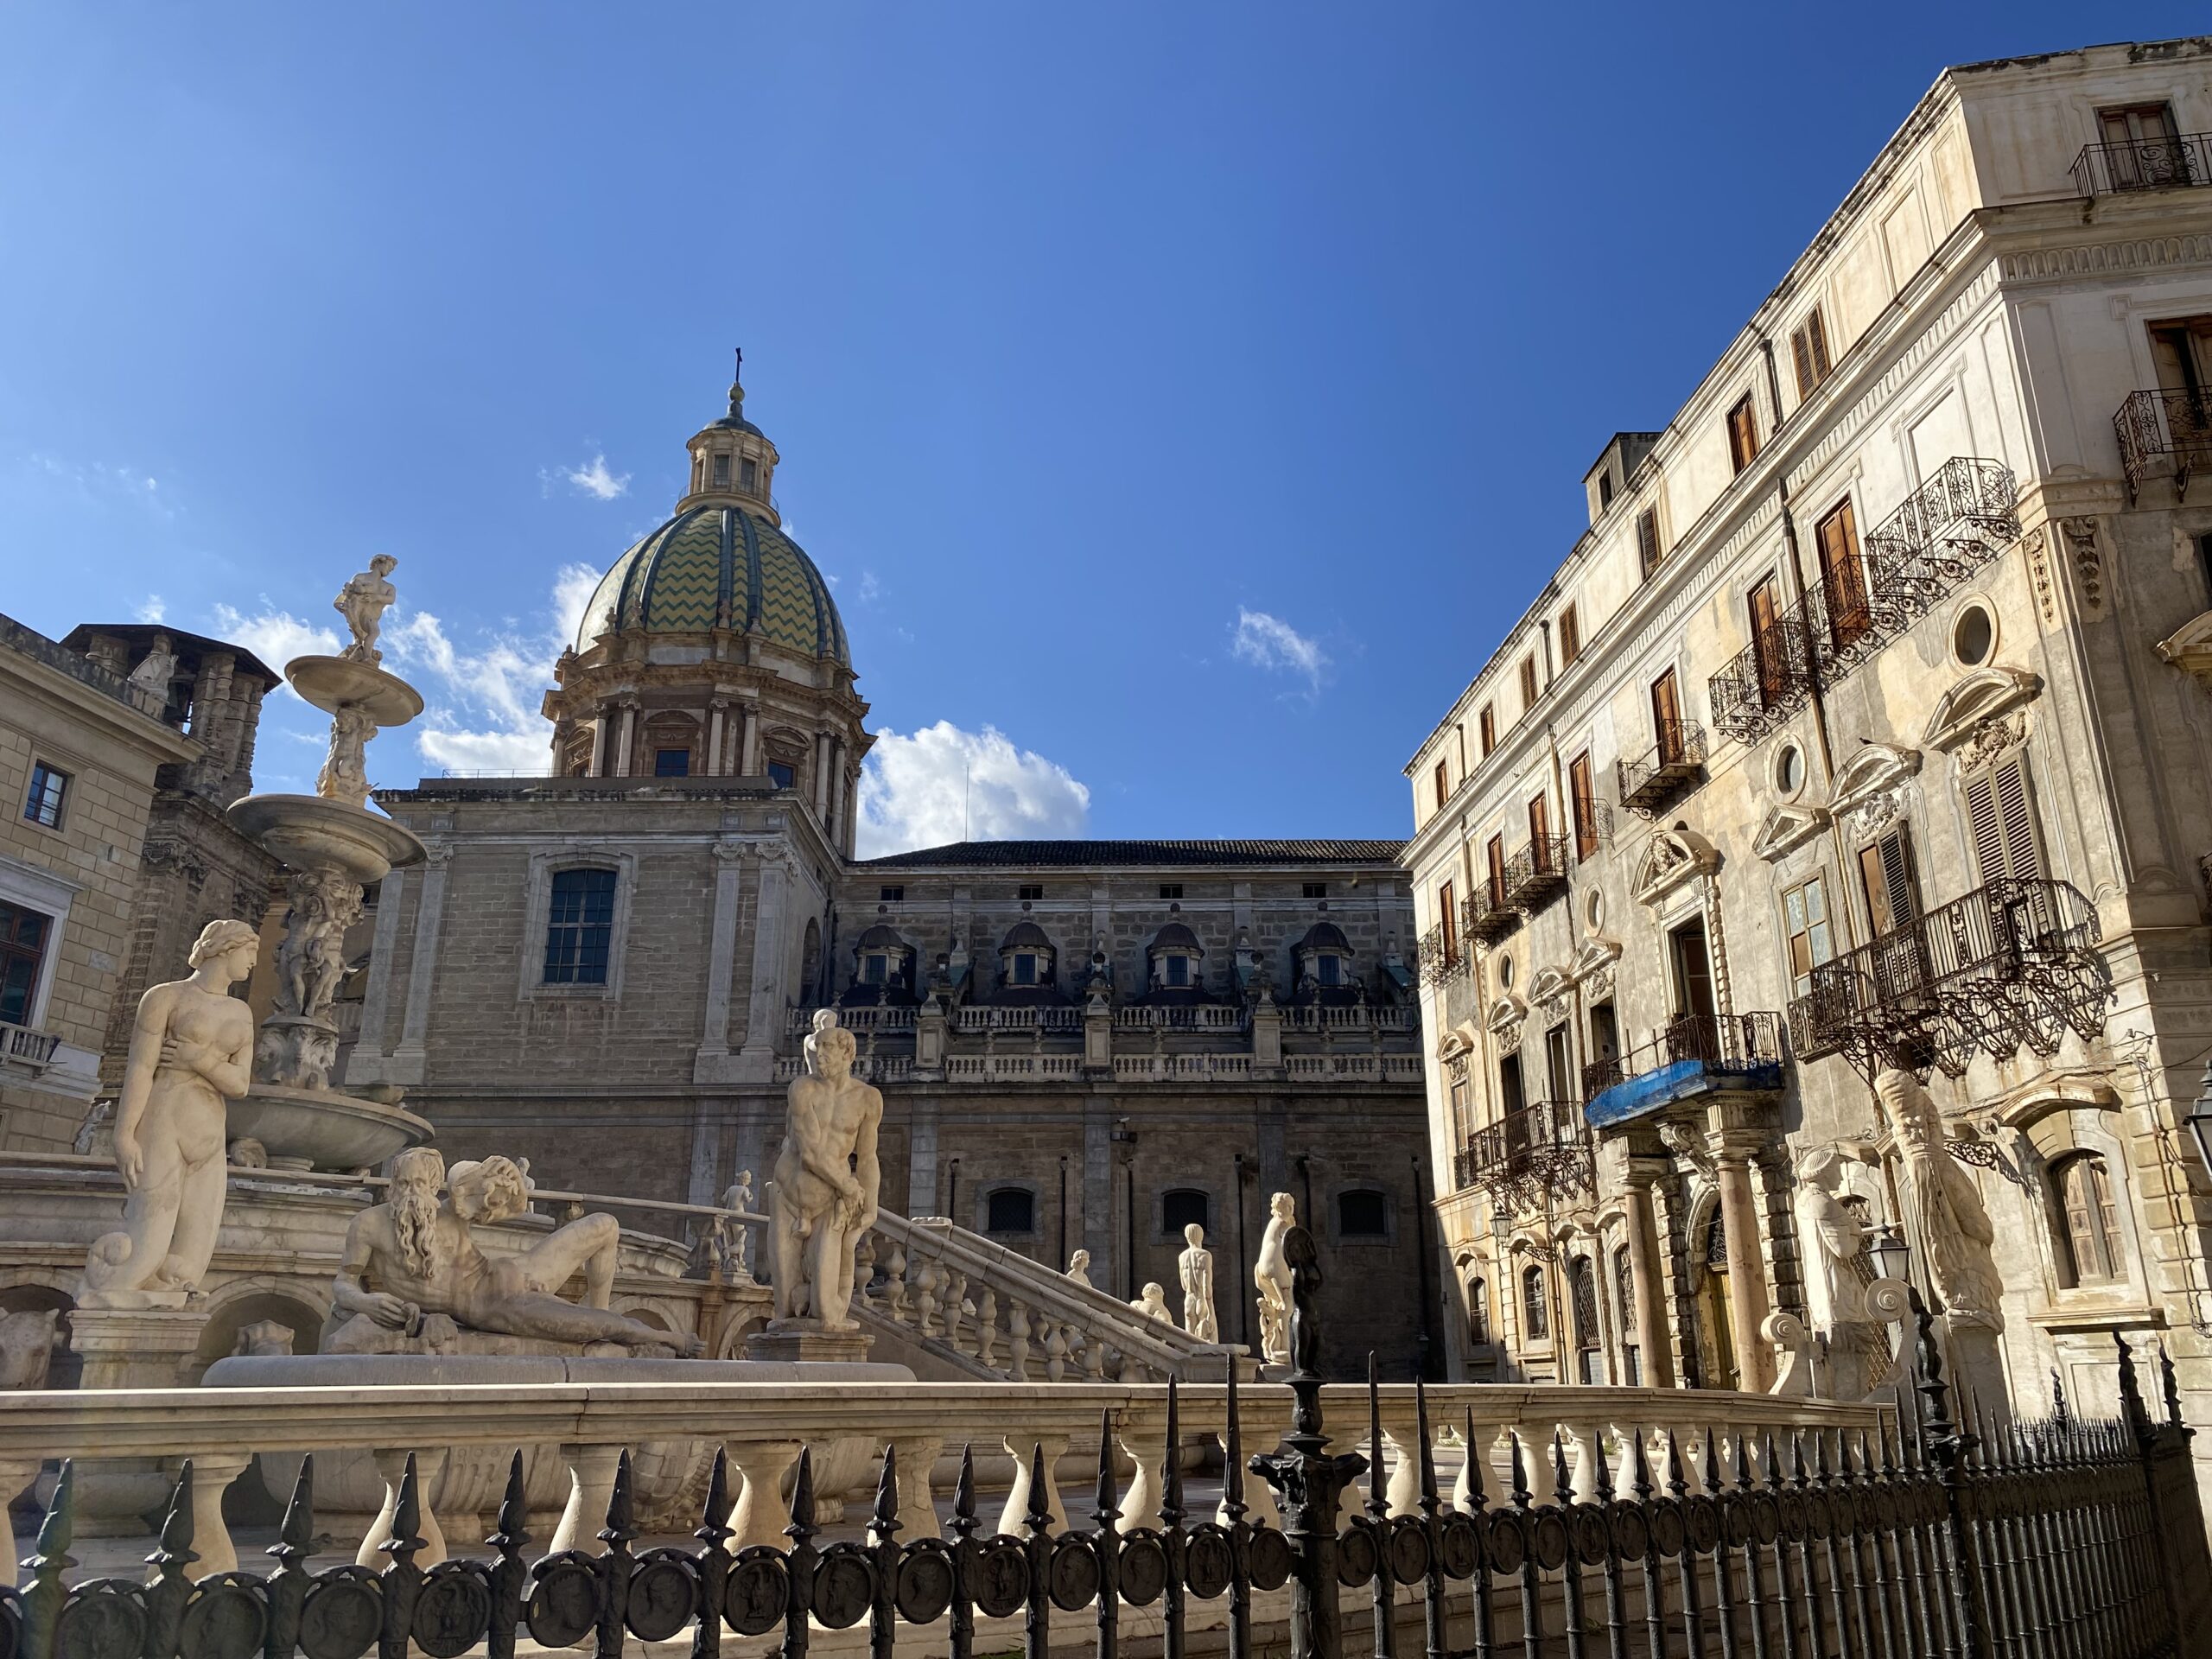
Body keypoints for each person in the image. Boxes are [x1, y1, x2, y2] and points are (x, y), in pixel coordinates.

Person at [329, 1147, 697, 1352]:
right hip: (495, 1305)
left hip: (512, 1274)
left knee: (604, 1226)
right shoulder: (368, 1225)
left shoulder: (451, 1209)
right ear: (393, 1183)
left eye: (421, 1184)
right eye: (404, 1182)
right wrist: (366, 1302)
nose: (412, 1192)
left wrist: (503, 1174)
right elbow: (342, 1284)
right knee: (600, 1326)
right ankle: (670, 1339)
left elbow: (478, 1185)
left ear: (435, 1185)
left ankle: (601, 1320)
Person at [81, 919, 259, 1299]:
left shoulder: (242, 1013)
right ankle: (109, 1300)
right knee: (149, 1236)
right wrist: (124, 1133)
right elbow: (141, 1068)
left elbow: (240, 1085)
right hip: (165, 1118)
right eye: (250, 953)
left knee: (193, 1254)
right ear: (225, 950)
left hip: (209, 1129)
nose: (253, 963)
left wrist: (199, 1059)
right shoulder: (165, 997)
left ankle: (168, 1316)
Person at [768, 1012, 882, 1330]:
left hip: (829, 1201)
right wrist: (848, 1187)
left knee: (827, 1315)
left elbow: (869, 1157)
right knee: (785, 1311)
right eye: (817, 1049)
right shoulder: (802, 1088)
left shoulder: (868, 1098)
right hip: (788, 1194)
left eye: (828, 1048)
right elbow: (809, 1151)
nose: (821, 1055)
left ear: (849, 1054)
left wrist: (870, 1205)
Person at [1179, 1222, 1217, 1341]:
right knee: (1209, 1342)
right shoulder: (1205, 1255)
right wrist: (1211, 1312)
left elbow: (1184, 1286)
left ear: (1187, 1236)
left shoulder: (1182, 1256)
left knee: (1190, 1342)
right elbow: (1207, 1288)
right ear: (1201, 1236)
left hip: (1189, 1300)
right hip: (1202, 1300)